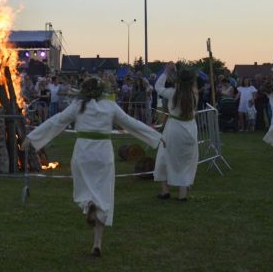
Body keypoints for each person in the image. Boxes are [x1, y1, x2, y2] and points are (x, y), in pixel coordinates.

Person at [23, 77, 163, 257]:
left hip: (83, 153)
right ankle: (97, 242)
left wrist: (33, 137)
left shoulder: (77, 105)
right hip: (103, 154)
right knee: (103, 195)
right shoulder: (110, 106)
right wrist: (157, 137)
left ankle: (89, 204)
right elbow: (131, 123)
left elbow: (56, 121)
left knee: (86, 189)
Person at [153, 64, 199, 201]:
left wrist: (166, 72)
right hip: (190, 128)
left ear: (178, 81)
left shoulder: (172, 93)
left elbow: (158, 87)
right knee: (186, 159)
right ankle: (182, 194)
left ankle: (165, 191)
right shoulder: (195, 93)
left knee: (164, 157)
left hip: (174, 128)